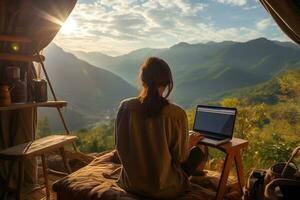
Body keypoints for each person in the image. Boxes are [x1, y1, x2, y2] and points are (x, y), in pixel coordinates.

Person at [115, 57, 208, 199]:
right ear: (168, 82)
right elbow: (181, 157)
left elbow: (119, 146)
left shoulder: (125, 107)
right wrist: (189, 143)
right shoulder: (177, 114)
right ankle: (199, 179)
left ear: (142, 80)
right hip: (164, 189)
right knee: (201, 147)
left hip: (130, 184)